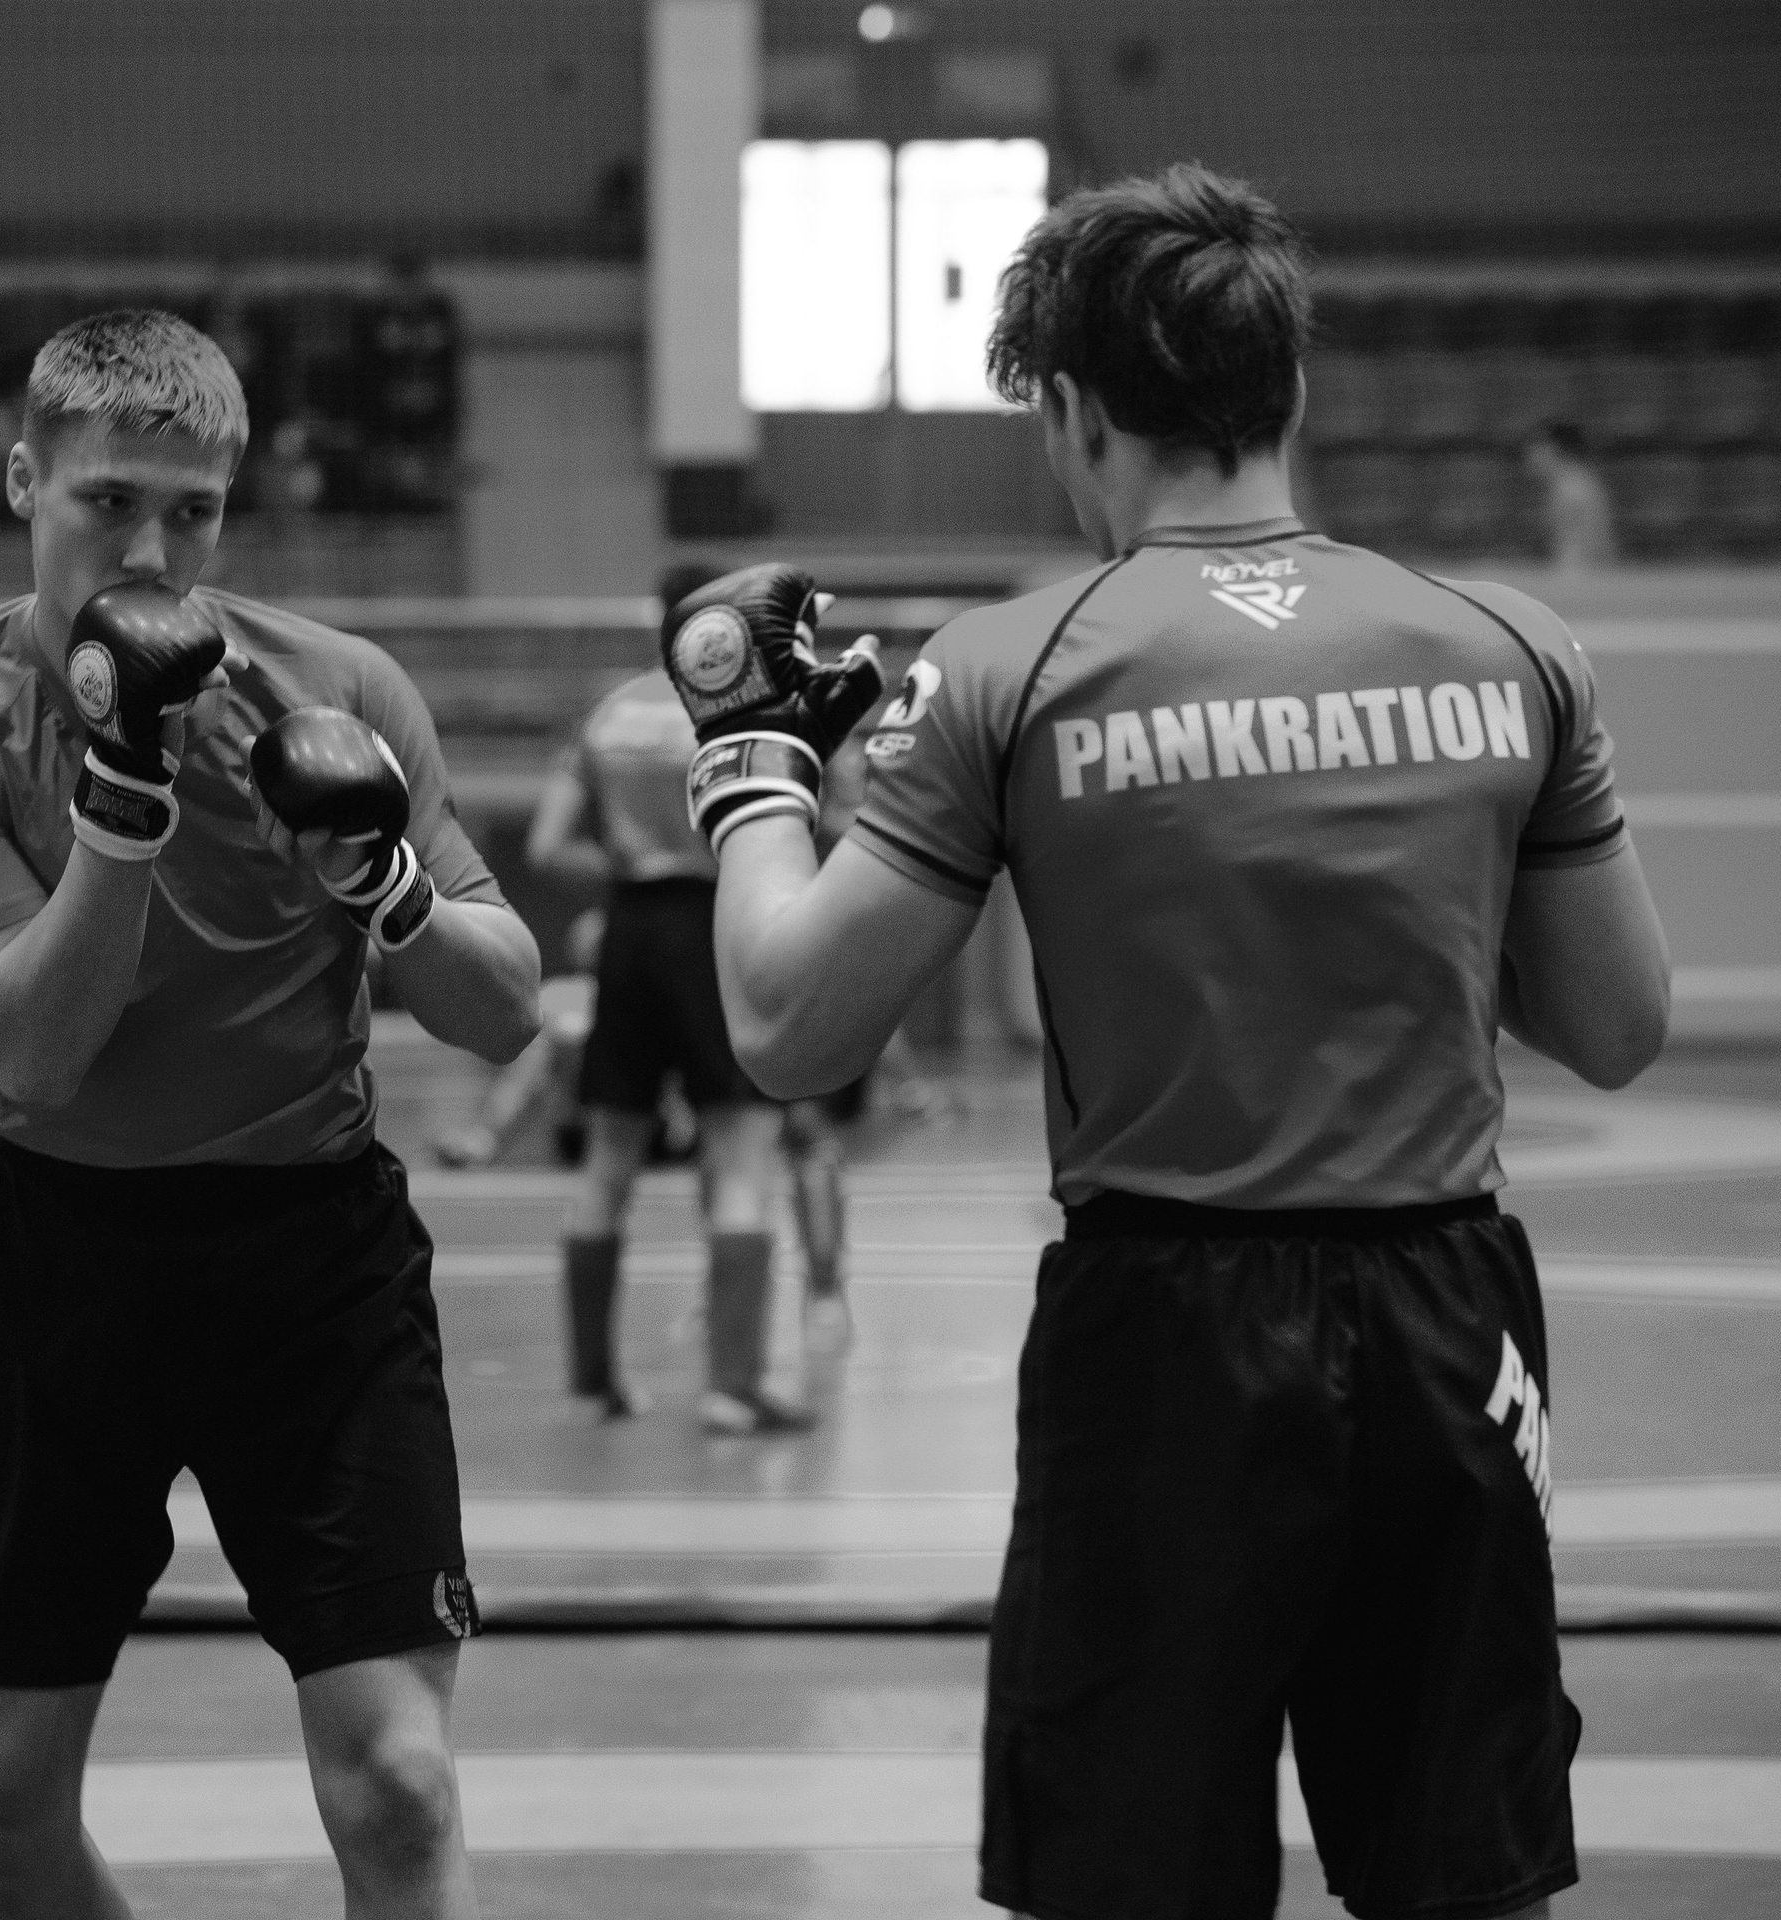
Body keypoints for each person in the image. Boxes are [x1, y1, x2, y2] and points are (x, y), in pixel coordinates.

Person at [660, 164, 1669, 1920]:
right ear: (1292, 385)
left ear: (1066, 406)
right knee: (1464, 1877)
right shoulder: (1514, 648)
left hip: (1168, 1340)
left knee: (1132, 1878)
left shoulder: (1010, 669)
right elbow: (1617, 1022)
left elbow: (785, 1028)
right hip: (1448, 1323)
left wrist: (753, 758)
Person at [0, 309, 539, 1920]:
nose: (152, 548)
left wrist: (381, 888)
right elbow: (32, 1057)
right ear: (24, 478)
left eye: (194, 511)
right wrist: (126, 797)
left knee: (399, 1783)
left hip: (314, 1259)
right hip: (73, 1264)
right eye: (108, 503)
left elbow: (506, 1010)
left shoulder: (342, 686)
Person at [523, 564, 809, 1434]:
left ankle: (594, 1382)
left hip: (630, 932)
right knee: (742, 1151)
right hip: (714, 925)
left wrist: (626, 868)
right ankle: (731, 1387)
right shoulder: (736, 711)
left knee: (610, 1153)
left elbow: (544, 845)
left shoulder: (612, 713)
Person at [1522, 421, 1618, 570]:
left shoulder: (1574, 489)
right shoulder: (1570, 483)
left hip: (1580, 573)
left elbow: (1593, 546)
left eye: (1534, 447)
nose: (1528, 455)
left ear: (1553, 449)